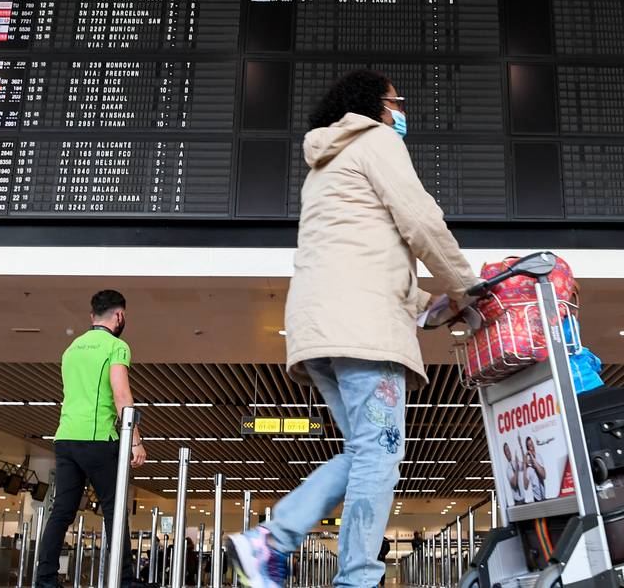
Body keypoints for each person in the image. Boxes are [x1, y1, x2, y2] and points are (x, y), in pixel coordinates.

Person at [227, 69, 478, 588]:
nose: (400, 111)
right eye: (396, 102)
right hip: (362, 330)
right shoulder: (377, 140)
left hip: (320, 327)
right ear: (375, 104)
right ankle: (351, 576)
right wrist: (467, 288)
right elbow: (421, 221)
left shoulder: (323, 166)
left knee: (366, 450)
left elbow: (358, 260)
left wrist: (432, 307)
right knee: (379, 454)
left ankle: (272, 539)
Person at [36, 290, 147, 588]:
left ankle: (45, 579)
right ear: (119, 316)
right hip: (97, 438)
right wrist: (135, 440)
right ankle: (123, 579)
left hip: (65, 437)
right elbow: (121, 394)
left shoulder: (71, 348)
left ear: (92, 316)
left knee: (62, 511)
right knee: (114, 509)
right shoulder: (116, 346)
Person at [523, 437, 547, 502]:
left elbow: (544, 475)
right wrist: (524, 465)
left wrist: (533, 459)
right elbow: (525, 486)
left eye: (532, 444)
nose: (532, 446)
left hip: (544, 497)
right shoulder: (528, 467)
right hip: (537, 499)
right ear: (528, 449)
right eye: (530, 445)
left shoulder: (538, 457)